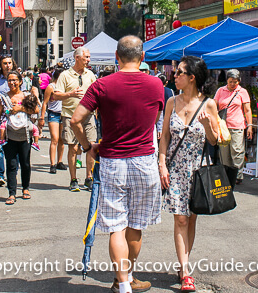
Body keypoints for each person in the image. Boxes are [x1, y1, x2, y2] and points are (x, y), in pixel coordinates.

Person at [71, 35, 165, 293]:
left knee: (116, 226)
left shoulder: (101, 85)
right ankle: (129, 274)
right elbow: (154, 118)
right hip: (145, 160)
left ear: (116, 56)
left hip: (112, 160)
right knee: (136, 225)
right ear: (143, 57)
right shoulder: (156, 85)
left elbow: (75, 120)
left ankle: (123, 283)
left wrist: (89, 147)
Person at [159, 56, 219, 292]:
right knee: (180, 218)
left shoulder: (209, 104)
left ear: (191, 77)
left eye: (179, 73)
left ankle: (183, 262)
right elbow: (164, 137)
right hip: (175, 168)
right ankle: (186, 272)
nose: (175, 76)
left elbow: (215, 140)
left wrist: (206, 126)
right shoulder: (171, 102)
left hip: (198, 168)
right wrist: (162, 164)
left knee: (191, 218)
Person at [52, 46, 97, 192]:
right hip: (70, 115)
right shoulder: (65, 75)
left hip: (88, 115)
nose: (88, 60)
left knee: (91, 146)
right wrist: (70, 94)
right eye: (86, 57)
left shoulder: (90, 74)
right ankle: (73, 179)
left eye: (89, 57)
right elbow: (56, 95)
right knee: (73, 147)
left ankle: (89, 178)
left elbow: (97, 93)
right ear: (77, 57)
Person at [0, 71, 36, 205]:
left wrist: (21, 108)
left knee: (25, 163)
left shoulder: (27, 96)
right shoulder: (3, 97)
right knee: (11, 165)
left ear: (20, 81)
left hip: (25, 135)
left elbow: (35, 110)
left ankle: (25, 188)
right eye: (10, 80)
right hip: (9, 136)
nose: (12, 83)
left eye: (15, 80)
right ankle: (11, 193)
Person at [213, 69, 252, 185]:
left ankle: (237, 175)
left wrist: (250, 126)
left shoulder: (242, 92)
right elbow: (214, 105)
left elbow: (248, 110)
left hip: (237, 125)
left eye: (235, 82)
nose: (232, 84)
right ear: (227, 81)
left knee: (237, 151)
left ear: (239, 81)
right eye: (230, 81)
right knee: (224, 153)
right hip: (223, 126)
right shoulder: (220, 90)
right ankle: (226, 174)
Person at [0, 55, 18, 187]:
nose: (7, 65)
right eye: (4, 63)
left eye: (9, 63)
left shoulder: (17, 79)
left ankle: (13, 173)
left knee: (14, 146)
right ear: (0, 65)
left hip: (15, 117)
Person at [40, 67, 66, 174]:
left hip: (64, 114)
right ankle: (52, 163)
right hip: (53, 114)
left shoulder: (66, 87)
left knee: (61, 139)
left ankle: (59, 161)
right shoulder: (51, 87)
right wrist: (42, 117)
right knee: (54, 138)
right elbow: (45, 103)